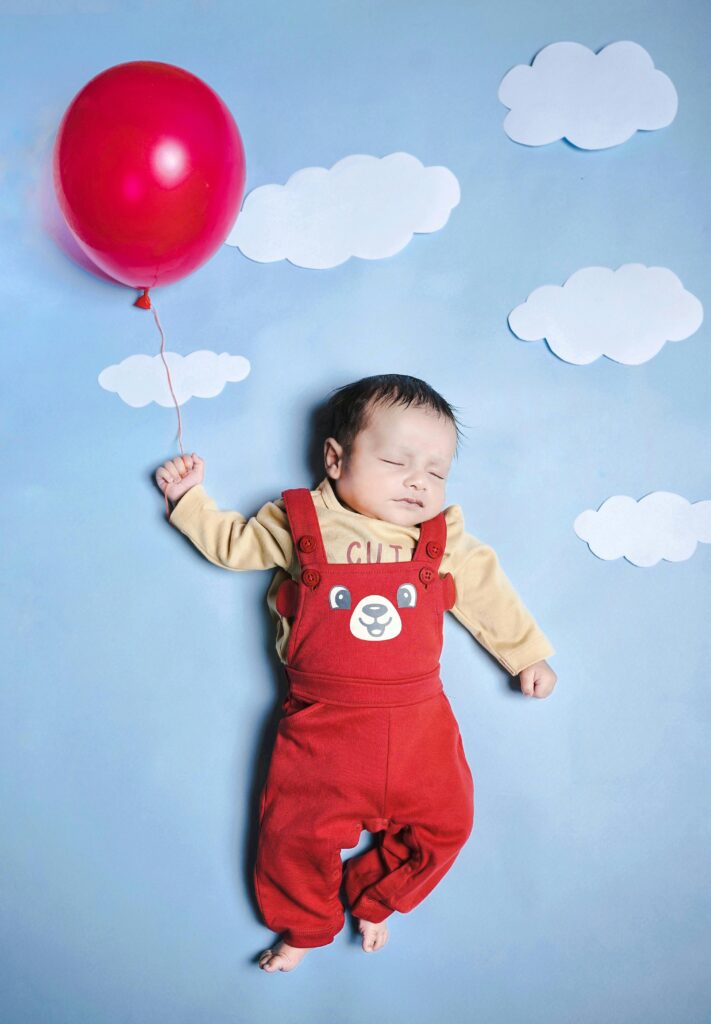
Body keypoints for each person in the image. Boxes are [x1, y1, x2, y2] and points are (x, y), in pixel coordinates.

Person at [155, 374, 557, 974]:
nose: (419, 481)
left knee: (450, 822)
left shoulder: (440, 539)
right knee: (292, 835)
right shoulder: (300, 522)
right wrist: (190, 500)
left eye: (436, 471)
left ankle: (377, 896)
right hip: (323, 729)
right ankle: (306, 926)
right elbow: (233, 545)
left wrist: (525, 654)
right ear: (336, 458)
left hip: (421, 723)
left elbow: (485, 590)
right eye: (397, 461)